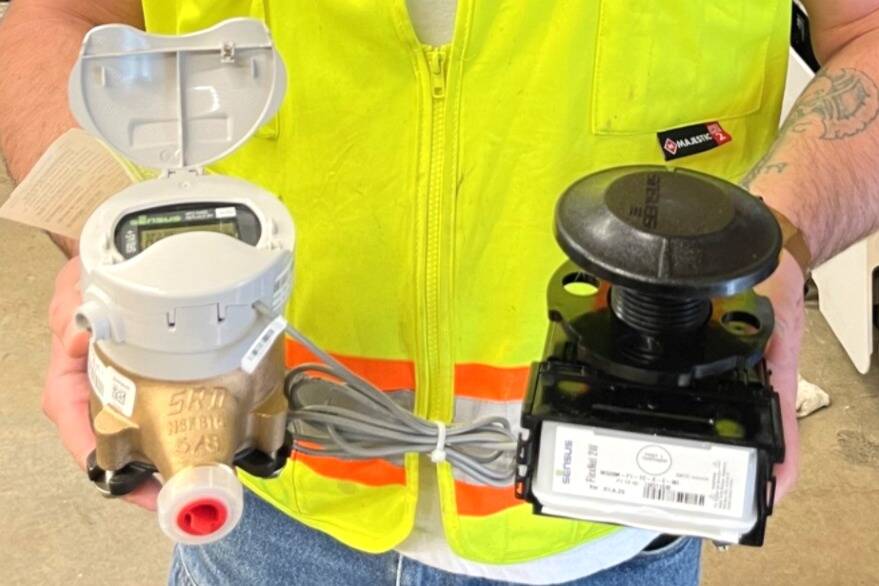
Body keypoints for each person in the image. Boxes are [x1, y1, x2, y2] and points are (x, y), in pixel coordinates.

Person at [2, 1, 878, 584]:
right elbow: (57, 15)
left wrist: (777, 242)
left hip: (615, 514)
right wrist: (107, 241)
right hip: (261, 491)